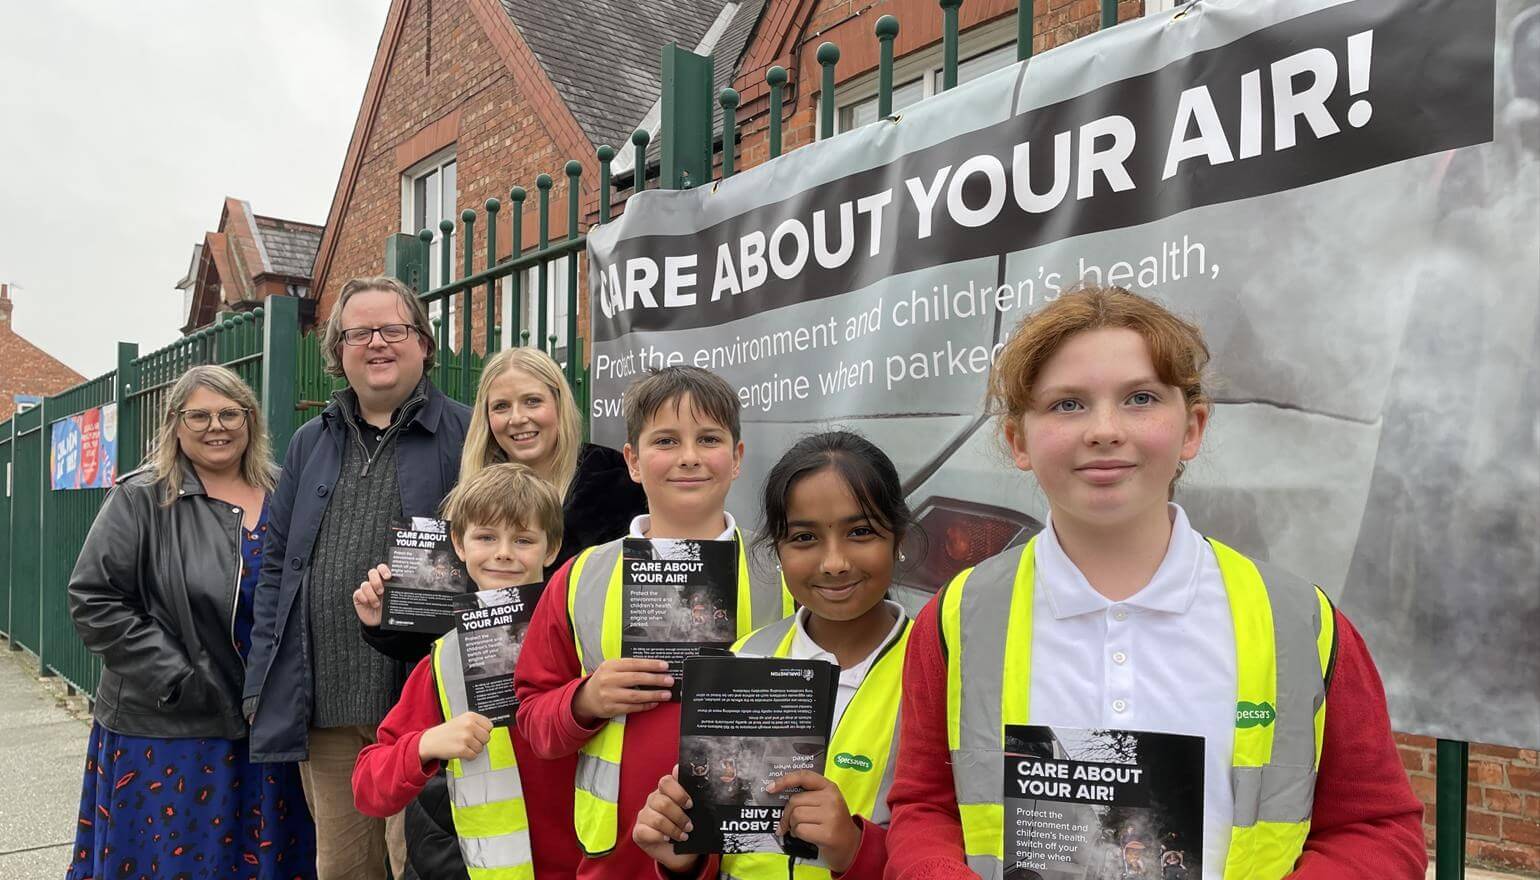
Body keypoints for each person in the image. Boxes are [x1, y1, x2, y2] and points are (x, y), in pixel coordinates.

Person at [883, 286, 1427, 879]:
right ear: (1018, 440)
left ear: (1192, 428)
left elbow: (1375, 828)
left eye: (1140, 398)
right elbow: (925, 807)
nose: (1104, 430)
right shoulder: (956, 619)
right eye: (1067, 405)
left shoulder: (1300, 622)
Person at [514, 366, 791, 880]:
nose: (688, 456)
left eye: (708, 439)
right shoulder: (581, 578)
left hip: (756, 859)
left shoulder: (783, 574)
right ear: (633, 462)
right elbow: (533, 721)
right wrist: (585, 700)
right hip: (618, 860)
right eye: (666, 440)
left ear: (736, 459)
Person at [244, 275, 472, 880]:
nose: (377, 343)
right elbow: (276, 568)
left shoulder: (469, 433)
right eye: (359, 332)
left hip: (428, 702)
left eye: (393, 329)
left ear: (423, 342)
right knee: (345, 868)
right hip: (326, 707)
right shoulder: (307, 443)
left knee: (417, 866)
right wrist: (261, 681)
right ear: (339, 352)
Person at [66, 365, 315, 879]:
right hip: (171, 728)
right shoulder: (142, 498)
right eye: (198, 415)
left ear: (251, 420)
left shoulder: (287, 492)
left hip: (267, 724)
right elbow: (94, 598)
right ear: (175, 424)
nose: (215, 426)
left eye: (230, 413)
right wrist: (180, 681)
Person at [634, 431, 915, 880]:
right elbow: (723, 844)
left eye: (860, 532)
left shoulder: (935, 670)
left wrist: (855, 850)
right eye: (804, 537)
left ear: (898, 536)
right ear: (778, 550)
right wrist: (686, 857)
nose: (834, 562)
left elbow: (950, 839)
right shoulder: (744, 658)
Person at [351, 463, 579, 879]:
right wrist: (426, 744)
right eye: (486, 537)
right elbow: (369, 786)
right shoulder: (444, 660)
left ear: (552, 548)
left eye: (523, 539)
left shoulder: (583, 638)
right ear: (458, 543)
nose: (504, 552)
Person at [460, 347, 648, 573]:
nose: (517, 418)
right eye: (501, 406)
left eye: (532, 401)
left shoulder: (618, 485)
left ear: (560, 404)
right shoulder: (467, 495)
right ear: (486, 418)